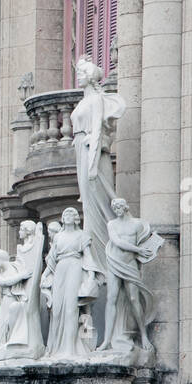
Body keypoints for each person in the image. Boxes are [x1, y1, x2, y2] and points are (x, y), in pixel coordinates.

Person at [71, 57, 126, 278]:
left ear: (91, 77)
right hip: (81, 152)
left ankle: (101, 263)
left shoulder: (96, 100)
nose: (78, 75)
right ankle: (92, 260)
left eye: (82, 73)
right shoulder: (84, 101)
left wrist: (93, 164)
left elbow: (97, 132)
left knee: (96, 203)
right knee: (87, 204)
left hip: (91, 154)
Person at [97, 197, 163, 355]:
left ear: (125, 207)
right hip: (114, 262)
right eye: (114, 208)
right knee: (111, 298)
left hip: (130, 264)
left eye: (119, 207)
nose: (116, 210)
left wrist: (150, 248)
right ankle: (107, 340)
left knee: (134, 299)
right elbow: (117, 242)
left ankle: (143, 335)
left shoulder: (138, 224)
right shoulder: (112, 224)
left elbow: (146, 242)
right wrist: (139, 251)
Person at [41, 207, 102, 359]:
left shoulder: (82, 235)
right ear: (62, 218)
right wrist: (45, 274)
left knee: (71, 308)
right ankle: (57, 348)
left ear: (76, 218)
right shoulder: (58, 237)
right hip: (60, 270)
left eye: (71, 214)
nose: (67, 216)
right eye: (65, 213)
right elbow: (52, 260)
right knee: (57, 309)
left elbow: (87, 257)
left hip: (75, 268)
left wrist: (91, 276)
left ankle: (70, 348)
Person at [0, 220, 46, 364]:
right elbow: (5, 282)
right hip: (5, 303)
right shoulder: (1, 275)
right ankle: (4, 344)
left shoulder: (17, 265)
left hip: (13, 302)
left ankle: (13, 342)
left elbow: (32, 265)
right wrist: (21, 276)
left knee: (12, 317)